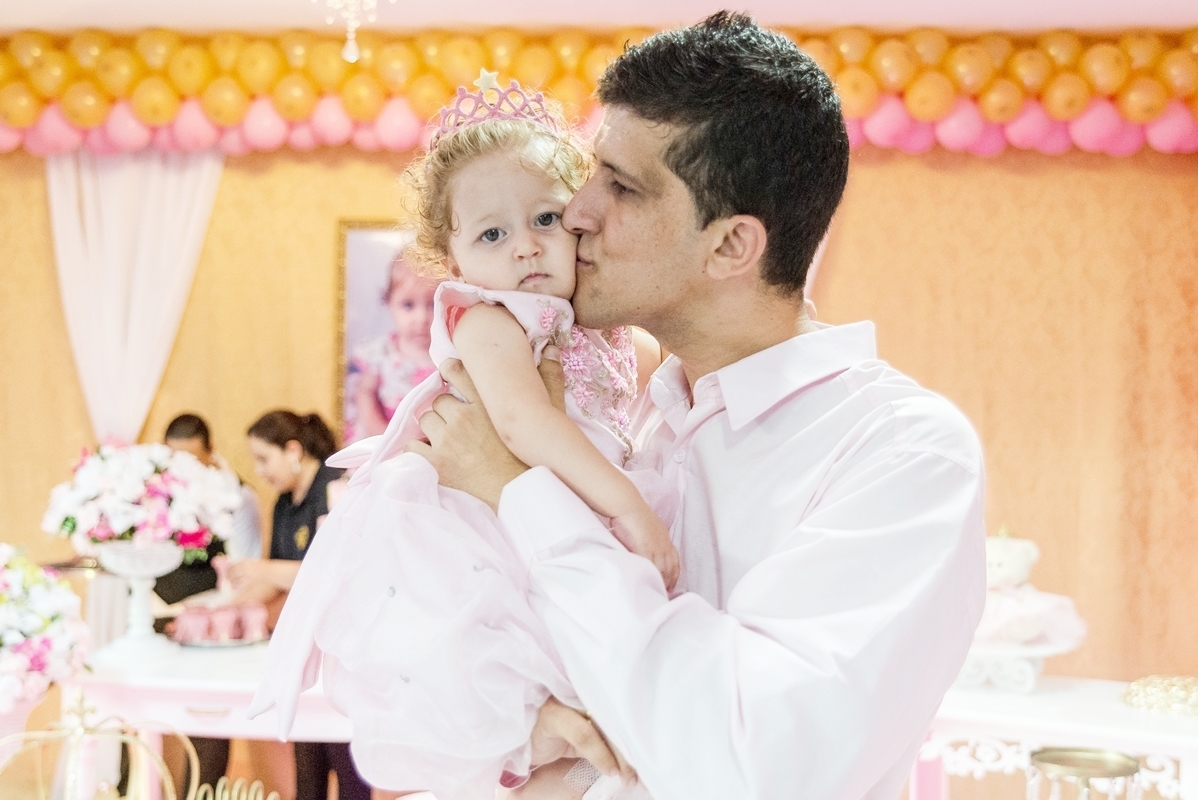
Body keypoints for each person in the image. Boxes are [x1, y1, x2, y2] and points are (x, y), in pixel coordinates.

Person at [409, 13, 987, 800]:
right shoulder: (636, 413)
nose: (576, 211)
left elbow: (748, 761)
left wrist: (517, 490)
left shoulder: (901, 453)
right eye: (590, 171)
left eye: (621, 186)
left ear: (730, 246)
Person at [251, 74, 679, 800]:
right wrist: (630, 505)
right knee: (485, 641)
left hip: (556, 513)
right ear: (453, 263)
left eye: (546, 218)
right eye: (492, 234)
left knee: (595, 691)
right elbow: (521, 421)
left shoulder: (605, 332)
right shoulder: (488, 320)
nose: (526, 248)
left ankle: (558, 752)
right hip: (482, 521)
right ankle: (532, 733)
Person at [232, 410, 372, 800]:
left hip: (339, 647)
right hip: (301, 645)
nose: (260, 471)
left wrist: (261, 569)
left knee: (346, 767)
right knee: (308, 767)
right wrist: (226, 603)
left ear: (293, 451)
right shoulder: (282, 504)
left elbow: (333, 574)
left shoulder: (336, 489)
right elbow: (276, 579)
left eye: (264, 458)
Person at [154, 412, 263, 792]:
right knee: (145, 718)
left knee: (207, 723)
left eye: (192, 460)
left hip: (210, 628)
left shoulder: (238, 497)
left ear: (211, 453)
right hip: (158, 618)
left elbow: (243, 571)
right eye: (175, 460)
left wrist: (205, 614)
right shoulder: (154, 498)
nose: (183, 470)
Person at [344, 255, 438, 444]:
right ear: (388, 302)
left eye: (433, 304)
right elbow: (364, 397)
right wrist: (387, 442)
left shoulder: (449, 357)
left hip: (433, 448)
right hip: (382, 441)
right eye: (408, 305)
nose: (422, 318)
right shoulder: (379, 354)